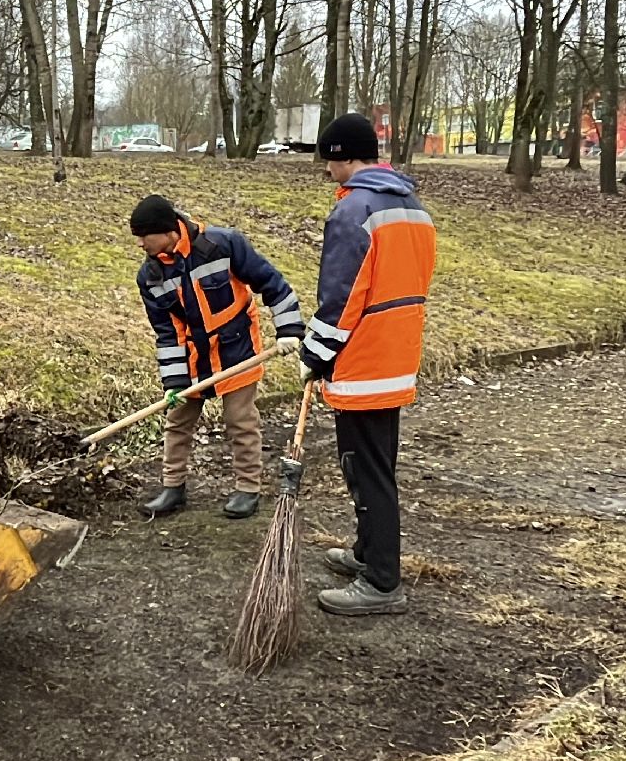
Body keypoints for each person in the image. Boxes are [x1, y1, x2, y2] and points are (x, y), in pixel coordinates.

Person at [300, 114, 438, 616]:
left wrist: (315, 353)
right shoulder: (411, 205)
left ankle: (382, 581)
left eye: (330, 160)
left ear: (343, 157)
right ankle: (366, 552)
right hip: (398, 353)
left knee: (366, 470)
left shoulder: (353, 210)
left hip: (363, 360)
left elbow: (342, 296)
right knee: (377, 464)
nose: (329, 171)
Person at [132, 195, 306, 519]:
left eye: (144, 236)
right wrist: (173, 382)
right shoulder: (150, 277)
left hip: (235, 346)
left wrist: (289, 330)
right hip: (192, 355)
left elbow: (273, 284)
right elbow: (167, 333)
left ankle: (248, 488)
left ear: (167, 230)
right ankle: (173, 487)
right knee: (178, 420)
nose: (140, 243)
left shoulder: (223, 245)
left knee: (240, 420)